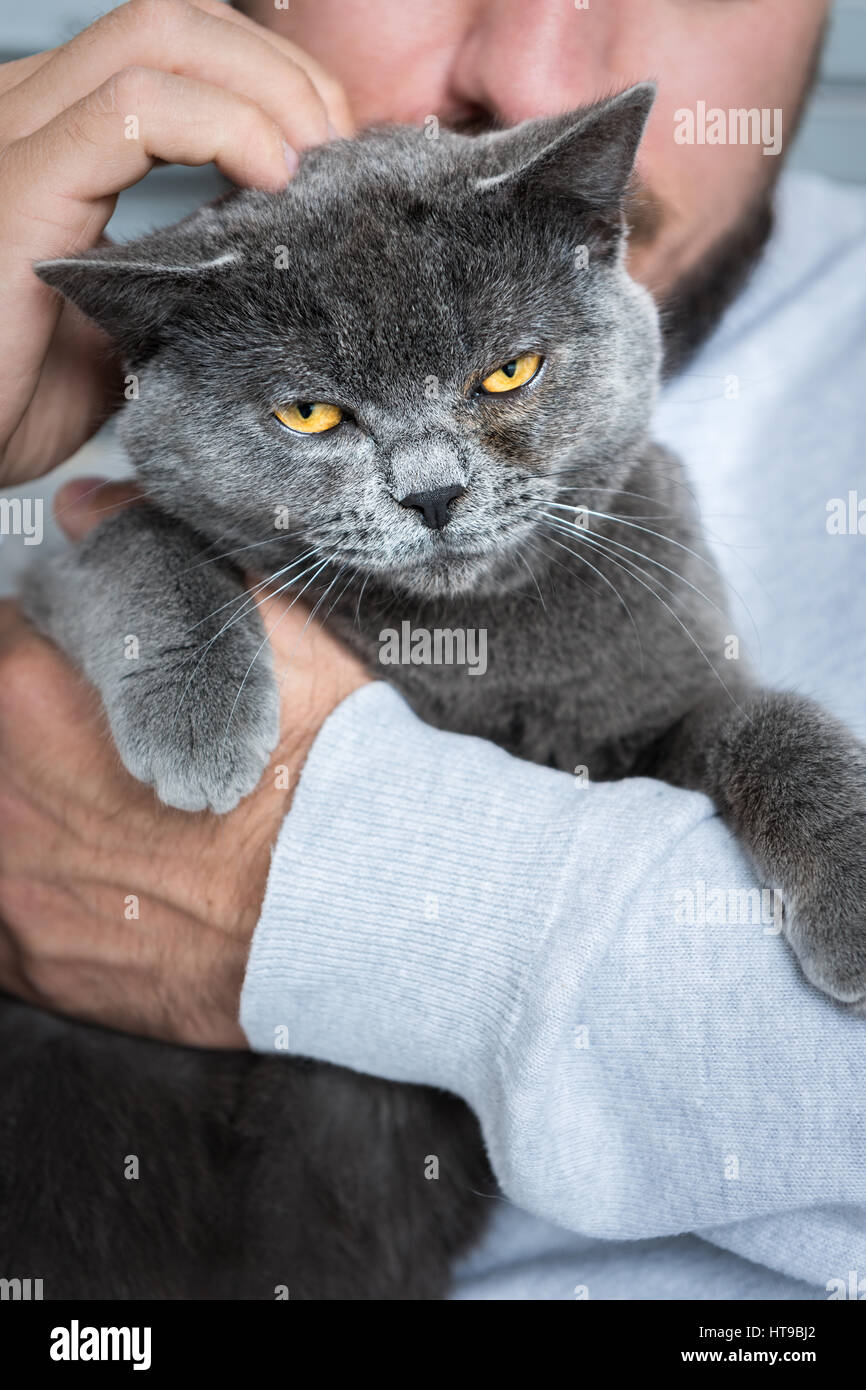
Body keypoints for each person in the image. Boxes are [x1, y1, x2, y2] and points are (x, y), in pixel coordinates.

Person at [0, 0, 864, 1299]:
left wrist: (327, 890)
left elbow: (704, 724)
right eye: (314, 411)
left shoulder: (646, 534)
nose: (430, 487)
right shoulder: (64, 313)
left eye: (504, 377)